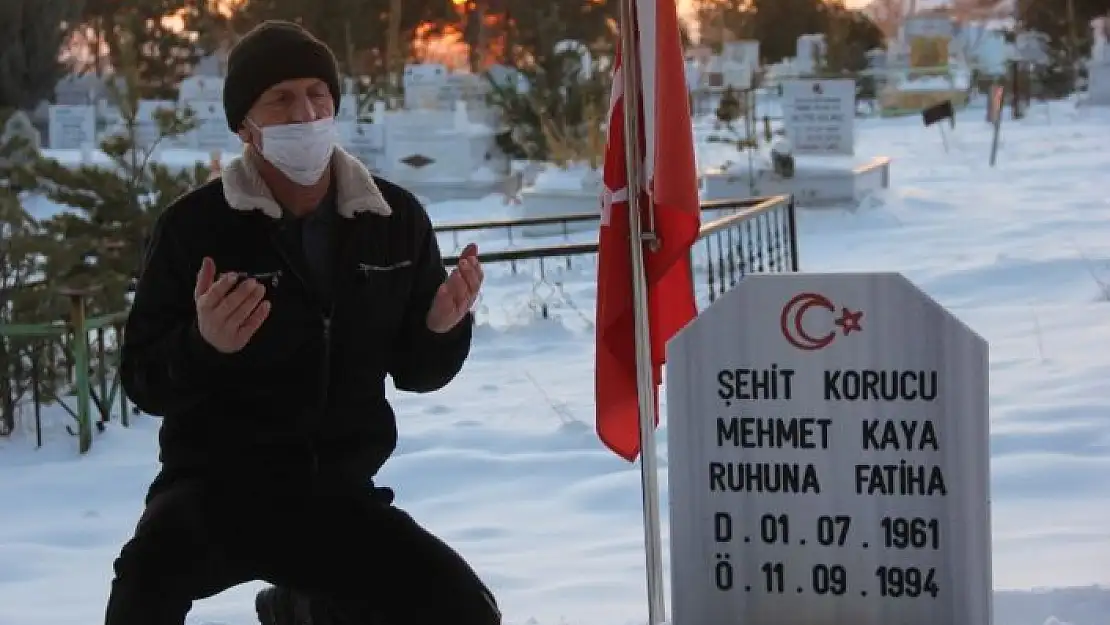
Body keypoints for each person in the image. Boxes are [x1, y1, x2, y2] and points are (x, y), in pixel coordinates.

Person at [107, 20, 499, 625]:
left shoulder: (393, 219)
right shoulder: (195, 228)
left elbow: (418, 373)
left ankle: (302, 607)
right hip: (216, 490)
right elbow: (142, 379)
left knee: (463, 610)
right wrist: (203, 346)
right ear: (245, 125)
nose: (306, 111)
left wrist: (441, 329)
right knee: (141, 594)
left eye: (318, 93)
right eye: (281, 98)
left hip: (337, 491)